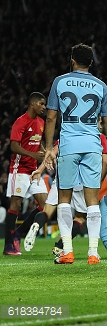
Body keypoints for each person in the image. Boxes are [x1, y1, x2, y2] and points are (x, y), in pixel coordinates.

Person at [43, 43, 107, 264]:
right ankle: (93, 253)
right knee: (92, 200)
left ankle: (67, 251)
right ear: (91, 63)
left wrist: (49, 148)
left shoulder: (60, 81)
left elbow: (50, 117)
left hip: (68, 146)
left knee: (64, 199)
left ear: (72, 60)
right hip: (93, 146)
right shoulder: (101, 85)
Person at [23, 117, 107, 254]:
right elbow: (105, 162)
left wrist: (40, 170)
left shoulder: (69, 134)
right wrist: (97, 182)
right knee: (80, 217)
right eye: (100, 122)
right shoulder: (99, 137)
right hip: (83, 181)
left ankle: (36, 224)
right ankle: (60, 246)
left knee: (48, 210)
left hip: (62, 177)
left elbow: (53, 152)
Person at [3, 92, 48, 256]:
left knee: (46, 205)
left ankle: (19, 233)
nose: (44, 107)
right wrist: (32, 155)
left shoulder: (41, 122)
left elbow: (38, 141)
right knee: (15, 205)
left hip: (34, 171)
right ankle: (8, 245)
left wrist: (44, 153)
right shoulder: (20, 122)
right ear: (33, 104)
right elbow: (14, 146)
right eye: (42, 104)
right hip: (19, 169)